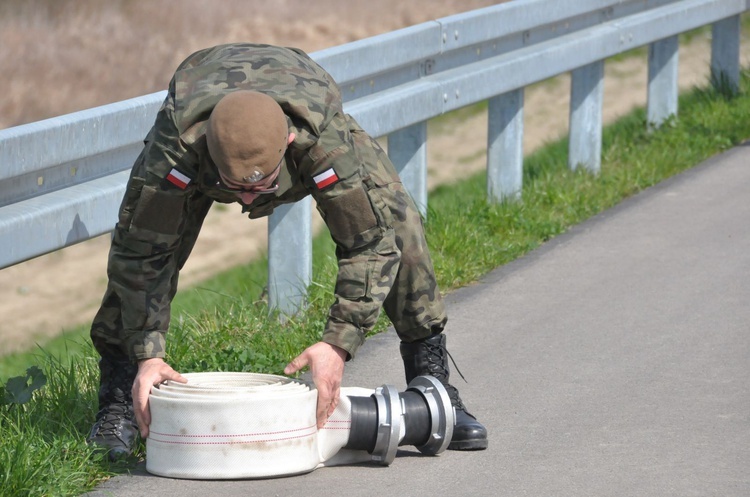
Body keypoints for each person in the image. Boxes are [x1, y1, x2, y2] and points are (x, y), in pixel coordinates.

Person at [87, 42, 488, 460]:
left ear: (290, 143)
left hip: (306, 109)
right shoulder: (178, 148)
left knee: (398, 229)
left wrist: (337, 343)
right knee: (142, 245)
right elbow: (139, 257)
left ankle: (434, 386)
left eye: (258, 188)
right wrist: (147, 354)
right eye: (236, 188)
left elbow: (368, 242)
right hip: (201, 135)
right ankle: (119, 400)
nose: (246, 202)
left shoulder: (322, 142)